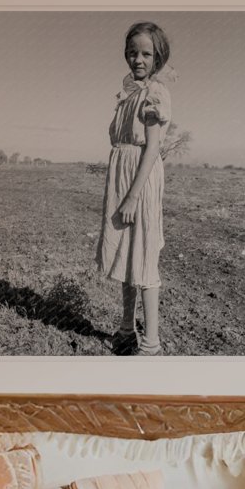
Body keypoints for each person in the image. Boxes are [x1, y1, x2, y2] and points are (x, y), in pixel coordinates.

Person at [97, 20, 173, 355]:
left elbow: (152, 148)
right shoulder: (127, 93)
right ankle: (127, 329)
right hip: (121, 176)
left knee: (143, 256)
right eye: (132, 53)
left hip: (140, 180)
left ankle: (152, 344)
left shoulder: (155, 94)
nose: (138, 60)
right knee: (125, 255)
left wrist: (132, 196)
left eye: (145, 54)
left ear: (157, 58)